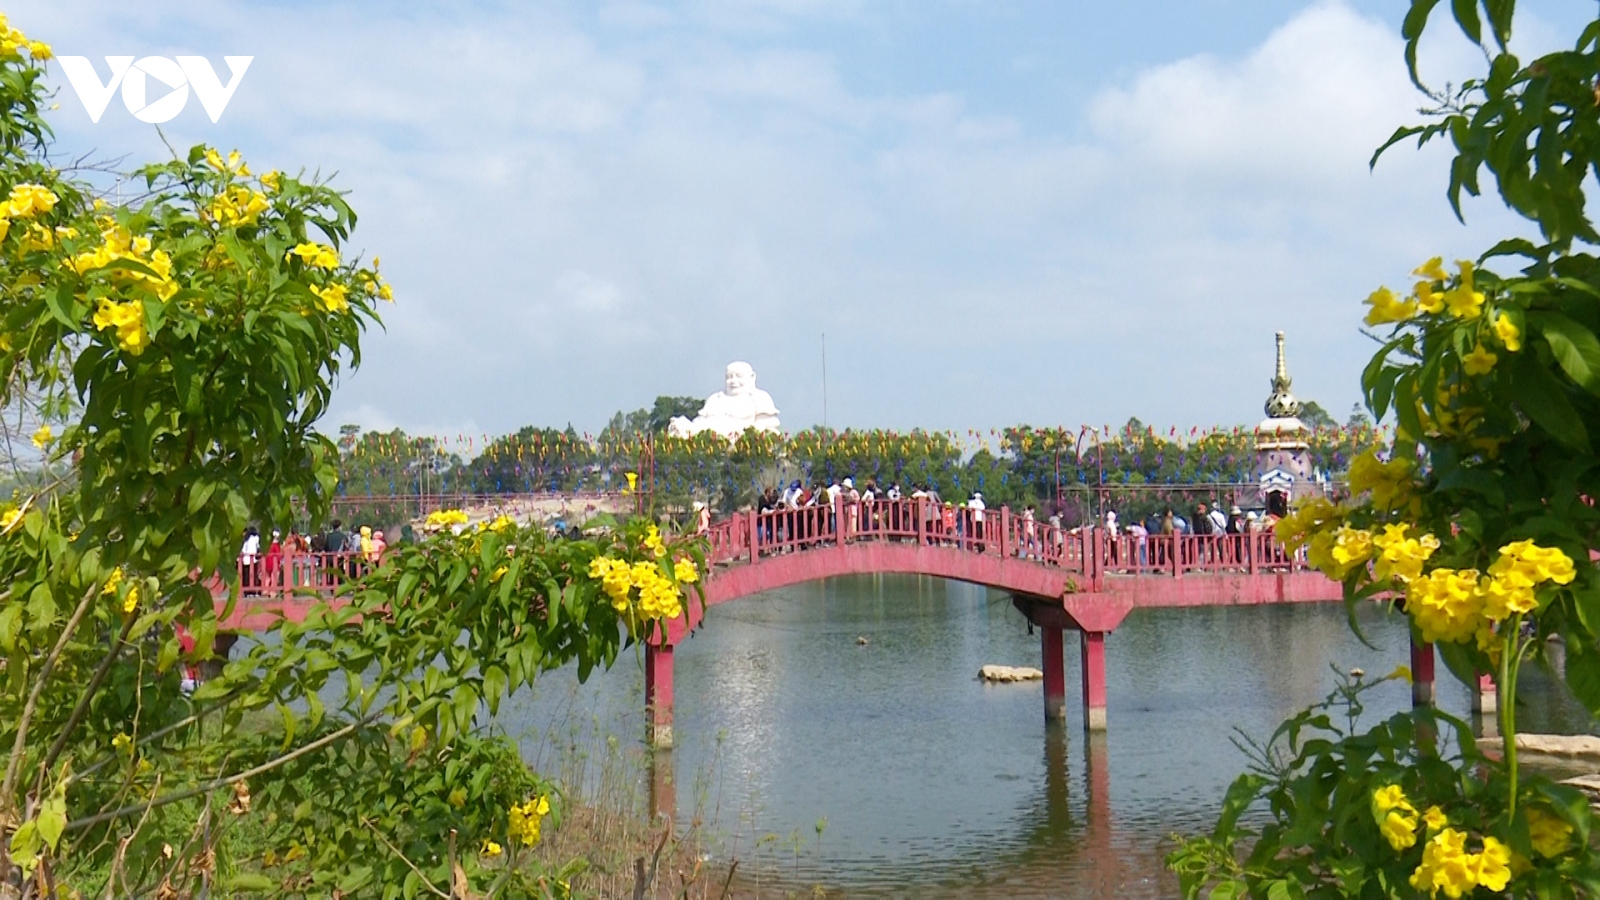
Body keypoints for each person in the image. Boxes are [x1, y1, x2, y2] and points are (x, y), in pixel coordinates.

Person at [240, 526, 261, 595]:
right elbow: (258, 547)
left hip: (245, 559)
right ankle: (252, 591)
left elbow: (243, 549)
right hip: (253, 559)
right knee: (253, 575)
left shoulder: (245, 539)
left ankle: (246, 591)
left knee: (246, 576)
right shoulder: (255, 538)